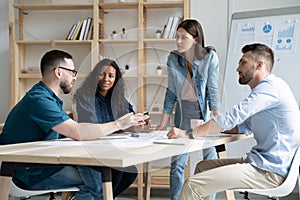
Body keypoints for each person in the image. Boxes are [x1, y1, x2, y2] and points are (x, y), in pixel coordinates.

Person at [0, 49, 148, 200]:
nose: (75, 77)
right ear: (58, 72)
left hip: (39, 164)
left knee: (110, 172)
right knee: (97, 181)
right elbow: (78, 132)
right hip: (26, 172)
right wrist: (119, 124)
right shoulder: (40, 100)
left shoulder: (49, 99)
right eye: (72, 72)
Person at [167, 43, 300, 200]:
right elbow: (244, 126)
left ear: (259, 65)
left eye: (243, 62)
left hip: (269, 172)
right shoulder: (267, 91)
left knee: (192, 185)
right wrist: (213, 128)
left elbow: (231, 117)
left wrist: (187, 133)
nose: (238, 68)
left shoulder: (271, 88)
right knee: (203, 167)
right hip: (261, 163)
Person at [159, 19, 221, 200]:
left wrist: (219, 121)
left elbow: (213, 91)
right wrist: (162, 125)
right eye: (177, 37)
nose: (178, 41)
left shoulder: (209, 57)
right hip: (183, 115)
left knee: (210, 163)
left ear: (195, 39)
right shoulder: (173, 59)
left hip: (205, 115)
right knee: (178, 165)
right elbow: (170, 92)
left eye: (183, 38)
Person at [73, 58, 147, 198]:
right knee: (117, 170)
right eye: (102, 74)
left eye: (111, 76)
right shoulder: (85, 96)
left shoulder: (118, 98)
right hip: (91, 150)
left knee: (131, 171)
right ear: (96, 76)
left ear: (116, 79)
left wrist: (137, 124)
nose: (106, 79)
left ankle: (107, 197)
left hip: (111, 148)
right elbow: (94, 123)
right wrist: (120, 125)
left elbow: (128, 118)